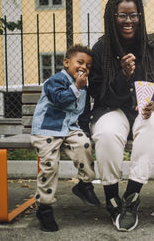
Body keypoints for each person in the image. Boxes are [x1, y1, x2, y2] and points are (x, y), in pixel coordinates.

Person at [87, 0, 154, 232]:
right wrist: (122, 76)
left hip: (148, 109)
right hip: (113, 107)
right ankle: (112, 197)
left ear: (140, 17)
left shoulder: (153, 46)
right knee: (106, 133)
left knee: (153, 126)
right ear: (112, 18)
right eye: (122, 15)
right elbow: (98, 92)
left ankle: (132, 195)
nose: (128, 20)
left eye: (133, 15)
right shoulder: (102, 48)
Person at [31, 44, 100, 232]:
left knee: (84, 144)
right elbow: (60, 99)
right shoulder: (56, 80)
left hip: (69, 129)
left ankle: (84, 184)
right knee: (49, 166)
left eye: (88, 65)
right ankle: (44, 208)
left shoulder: (83, 85)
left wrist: (84, 130)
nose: (84, 67)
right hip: (47, 130)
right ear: (66, 62)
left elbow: (83, 111)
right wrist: (76, 87)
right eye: (80, 62)